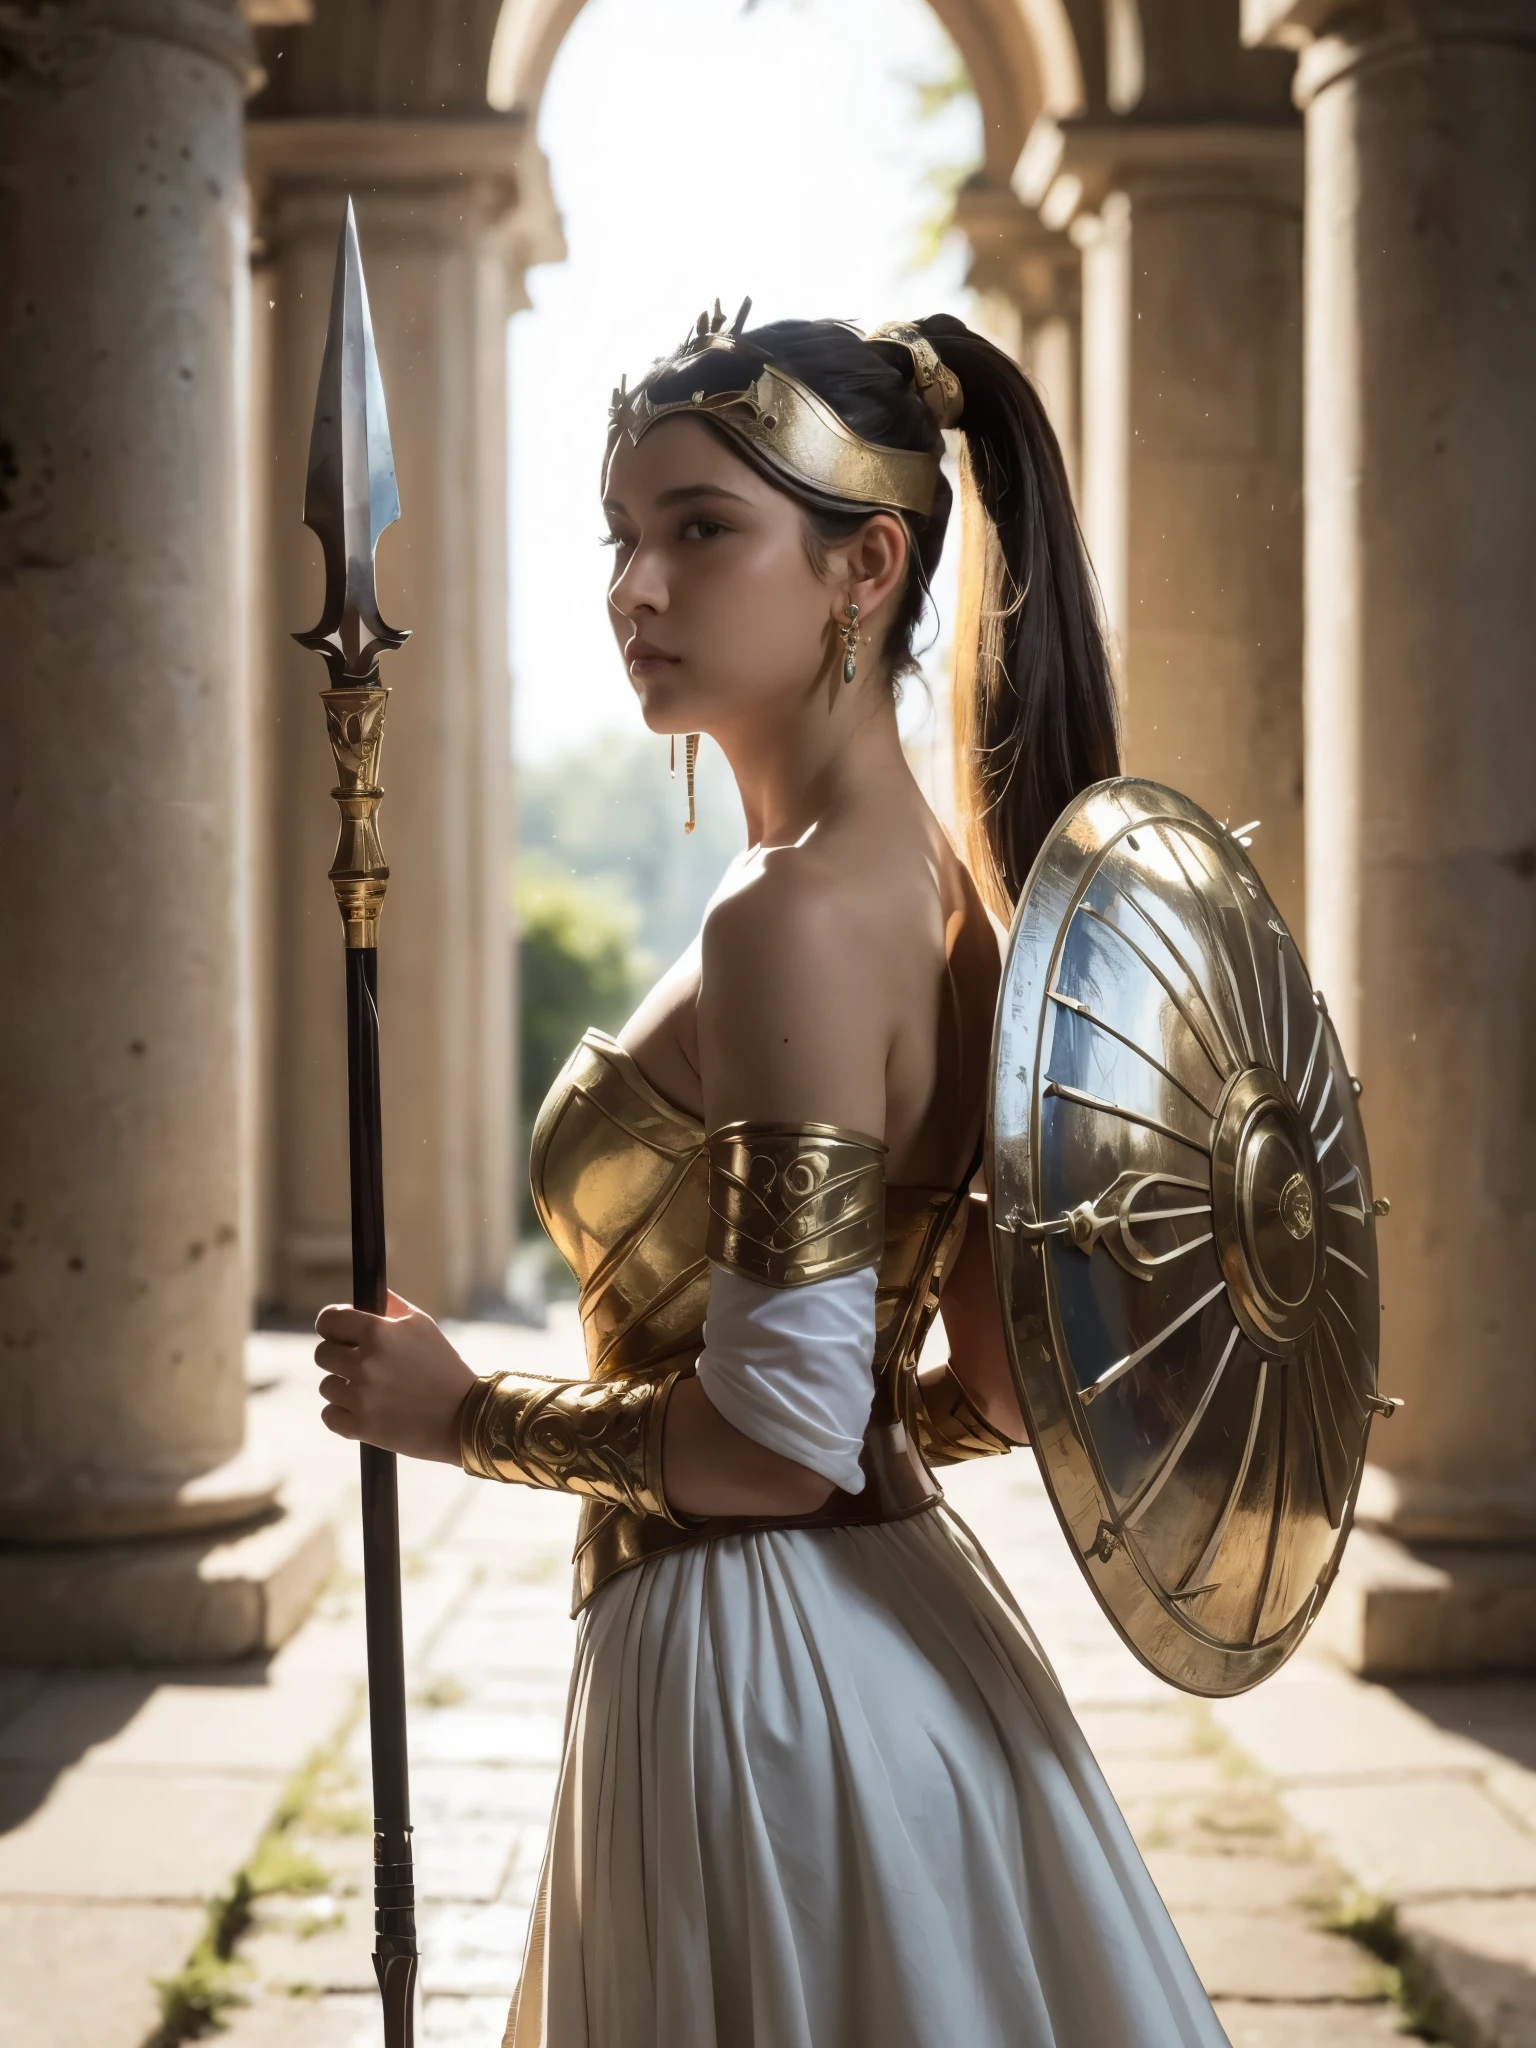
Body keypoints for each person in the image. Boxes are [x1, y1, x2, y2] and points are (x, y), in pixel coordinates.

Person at [313, 302, 1231, 2048]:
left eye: (700, 530)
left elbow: (770, 1445)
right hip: (886, 1635)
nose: (634, 589)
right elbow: (997, 1389)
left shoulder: (796, 912)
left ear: (865, 564)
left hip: (760, 1687)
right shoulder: (957, 904)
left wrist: (462, 1415)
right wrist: (840, 1427)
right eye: (623, 536)